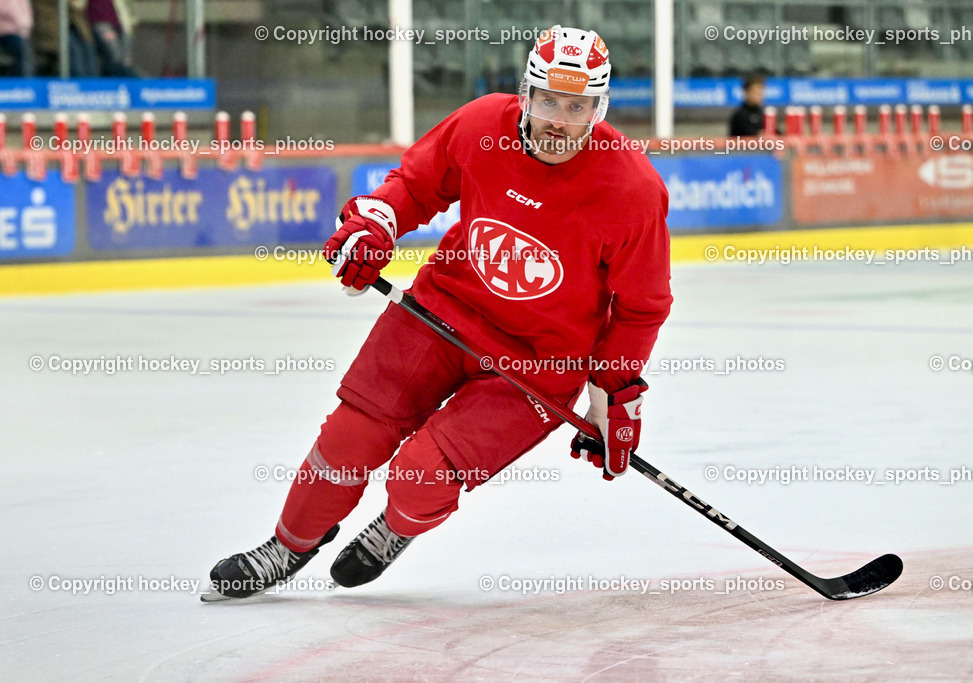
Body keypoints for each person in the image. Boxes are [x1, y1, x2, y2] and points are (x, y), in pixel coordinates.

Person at [203, 25, 672, 601]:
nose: (559, 119)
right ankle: (287, 545)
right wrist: (377, 224)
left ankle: (393, 529)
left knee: (420, 477)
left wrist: (614, 394)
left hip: (538, 365)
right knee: (351, 437)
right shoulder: (481, 125)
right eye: (548, 100)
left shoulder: (632, 188)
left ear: (598, 110)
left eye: (576, 107)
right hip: (440, 313)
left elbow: (641, 308)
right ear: (526, 93)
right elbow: (416, 186)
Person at [0, 0, 33, 76]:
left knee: (25, 48)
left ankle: (26, 81)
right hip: (5, 31)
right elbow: (5, 11)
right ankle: (22, 80)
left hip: (21, 32)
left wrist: (24, 26)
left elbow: (28, 13)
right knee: (20, 47)